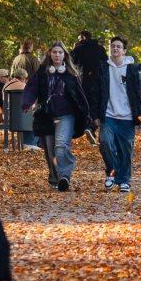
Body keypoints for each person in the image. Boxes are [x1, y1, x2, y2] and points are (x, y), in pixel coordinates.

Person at [21, 43, 90, 191]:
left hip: (66, 115)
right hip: (47, 115)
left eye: (60, 52)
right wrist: (27, 103)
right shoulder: (42, 72)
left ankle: (64, 176)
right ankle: (55, 178)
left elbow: (80, 96)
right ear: (50, 54)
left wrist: (86, 114)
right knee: (50, 149)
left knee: (61, 145)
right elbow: (31, 88)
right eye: (54, 52)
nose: (57, 55)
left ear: (64, 55)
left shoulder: (70, 74)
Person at [95, 36, 141, 193]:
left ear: (124, 51)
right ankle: (112, 171)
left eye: (118, 47)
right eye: (113, 46)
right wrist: (95, 115)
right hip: (108, 115)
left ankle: (124, 180)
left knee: (126, 150)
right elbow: (96, 93)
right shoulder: (103, 68)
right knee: (105, 142)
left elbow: (139, 94)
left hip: (127, 117)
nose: (115, 49)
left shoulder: (131, 70)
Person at [9, 38, 43, 150]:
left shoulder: (16, 59)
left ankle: (25, 141)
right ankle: (32, 142)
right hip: (32, 93)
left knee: (24, 114)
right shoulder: (33, 59)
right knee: (36, 114)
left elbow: (11, 76)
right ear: (31, 47)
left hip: (18, 96)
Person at [71, 30, 106, 113]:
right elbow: (105, 62)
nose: (78, 41)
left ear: (83, 38)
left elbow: (71, 61)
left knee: (84, 102)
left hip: (84, 79)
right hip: (99, 79)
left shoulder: (79, 49)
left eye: (79, 39)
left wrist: (74, 48)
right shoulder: (100, 48)